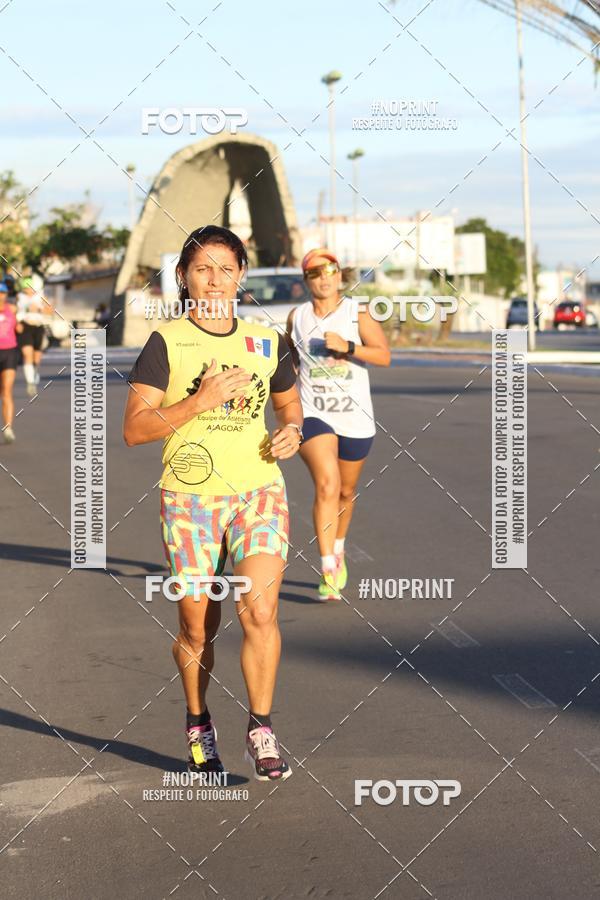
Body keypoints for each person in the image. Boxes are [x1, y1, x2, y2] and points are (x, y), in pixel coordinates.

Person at [124, 225, 303, 781]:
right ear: (183, 277)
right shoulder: (167, 343)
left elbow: (290, 407)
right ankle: (198, 720)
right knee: (199, 628)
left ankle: (262, 726)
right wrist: (200, 401)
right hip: (190, 499)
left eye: (226, 269)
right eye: (203, 269)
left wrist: (291, 433)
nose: (216, 280)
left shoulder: (266, 339)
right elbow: (134, 429)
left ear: (241, 276)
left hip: (258, 492)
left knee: (262, 610)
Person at [286, 249, 391, 601]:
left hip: (355, 415)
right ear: (307, 281)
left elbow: (384, 355)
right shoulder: (297, 317)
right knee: (327, 484)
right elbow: (291, 359)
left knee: (346, 492)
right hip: (313, 412)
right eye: (315, 273)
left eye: (330, 271)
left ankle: (339, 548)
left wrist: (348, 346)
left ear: (339, 275)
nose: (324, 278)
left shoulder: (356, 314)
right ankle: (328, 566)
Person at [16, 276, 53, 396]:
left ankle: (34, 371)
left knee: (36, 357)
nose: (28, 290)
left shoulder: (40, 296)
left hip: (38, 327)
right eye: (26, 288)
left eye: (30, 288)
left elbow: (50, 310)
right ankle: (30, 382)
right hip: (25, 326)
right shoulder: (19, 297)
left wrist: (38, 309)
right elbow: (14, 311)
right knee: (27, 354)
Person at [0, 282, 21, 443]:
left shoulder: (12, 309)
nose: (0, 295)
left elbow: (18, 329)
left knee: (7, 391)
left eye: (2, 292)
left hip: (9, 352)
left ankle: (8, 428)